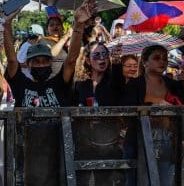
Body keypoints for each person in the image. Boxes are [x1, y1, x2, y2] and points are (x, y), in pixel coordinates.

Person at [1, 0, 97, 185]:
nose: (41, 64)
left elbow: (71, 58)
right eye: (36, 62)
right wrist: (7, 24)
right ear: (28, 64)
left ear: (51, 62)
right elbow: (12, 60)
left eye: (45, 60)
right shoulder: (21, 84)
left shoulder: (60, 83)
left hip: (58, 151)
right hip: (27, 153)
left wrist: (78, 25)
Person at [122, 45, 184, 186]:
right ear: (145, 61)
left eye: (164, 58)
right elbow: (127, 110)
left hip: (168, 141)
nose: (162, 62)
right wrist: (152, 108)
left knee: (166, 181)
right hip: (139, 140)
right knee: (136, 180)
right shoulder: (134, 84)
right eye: (156, 58)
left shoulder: (173, 84)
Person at [72, 41, 125, 185]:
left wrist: (117, 63)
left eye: (104, 54)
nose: (102, 58)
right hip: (83, 144)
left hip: (108, 145)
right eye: (96, 55)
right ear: (88, 60)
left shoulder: (113, 83)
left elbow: (120, 86)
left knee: (104, 182)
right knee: (80, 181)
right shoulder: (80, 85)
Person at [40, 6, 72, 77]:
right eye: (51, 25)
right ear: (47, 30)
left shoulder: (68, 40)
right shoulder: (43, 41)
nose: (55, 26)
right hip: (51, 78)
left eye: (58, 24)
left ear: (62, 28)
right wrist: (65, 37)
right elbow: (51, 54)